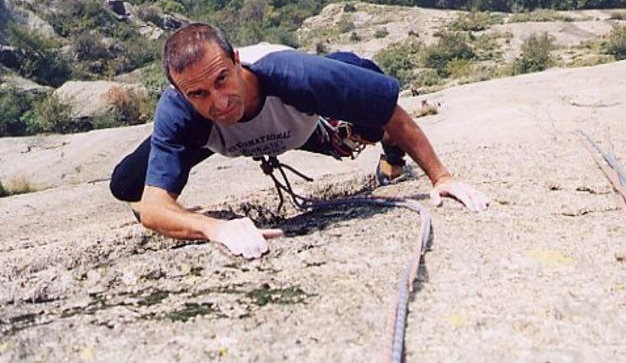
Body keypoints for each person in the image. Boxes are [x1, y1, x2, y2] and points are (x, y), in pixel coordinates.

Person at [110, 23, 489, 260]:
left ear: (237, 61)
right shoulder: (182, 110)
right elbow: (154, 209)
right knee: (126, 183)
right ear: (178, 90)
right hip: (215, 138)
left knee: (366, 92)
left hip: (303, 126)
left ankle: (391, 153)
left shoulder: (293, 75)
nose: (218, 102)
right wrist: (213, 227)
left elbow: (392, 111)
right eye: (197, 93)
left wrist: (441, 177)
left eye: (222, 79)